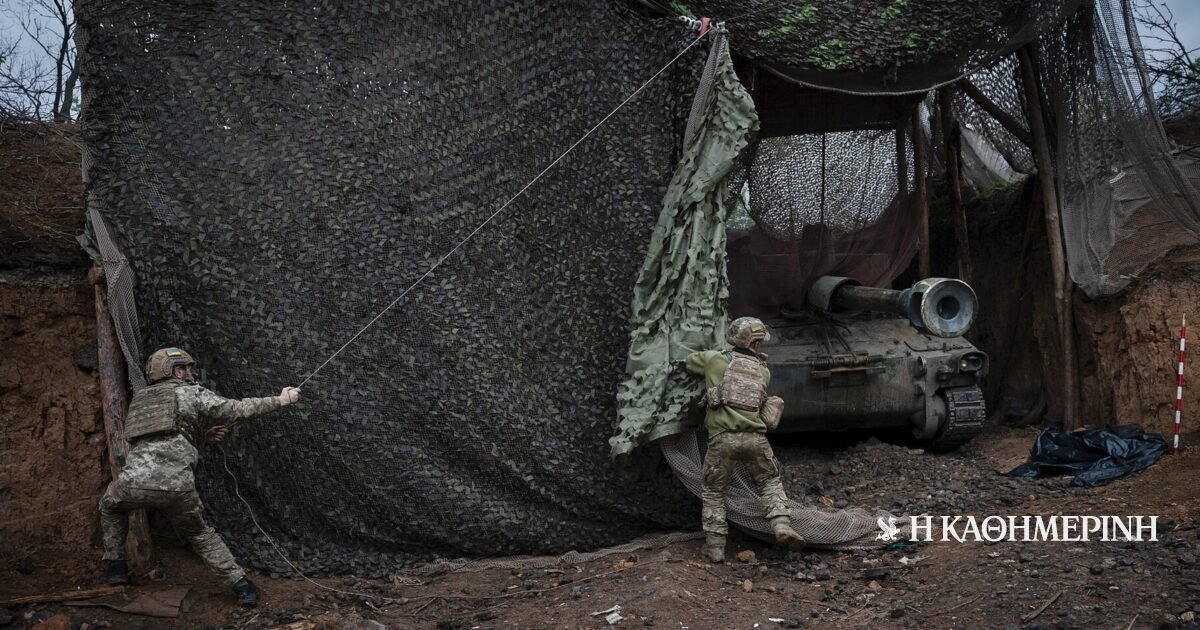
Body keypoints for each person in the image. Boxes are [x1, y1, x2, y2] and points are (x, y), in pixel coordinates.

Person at [98, 347, 301, 607]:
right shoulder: (190, 392)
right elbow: (236, 409)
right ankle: (241, 586)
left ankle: (116, 567)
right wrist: (281, 400)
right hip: (177, 487)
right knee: (201, 534)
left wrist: (203, 438)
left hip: (133, 484)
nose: (189, 373)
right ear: (176, 371)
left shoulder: (140, 400)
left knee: (109, 506)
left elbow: (159, 439)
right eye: (185, 368)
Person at [687, 317, 805, 563]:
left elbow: (689, 363)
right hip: (755, 439)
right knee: (769, 482)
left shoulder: (715, 360)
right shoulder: (763, 371)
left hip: (723, 439)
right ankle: (781, 525)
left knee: (713, 490)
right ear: (757, 343)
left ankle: (715, 547)